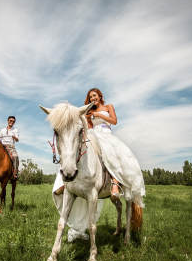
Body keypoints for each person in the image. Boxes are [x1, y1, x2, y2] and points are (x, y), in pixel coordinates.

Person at [52, 88, 145, 241]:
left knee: (114, 155)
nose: (92, 99)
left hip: (107, 136)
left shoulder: (108, 107)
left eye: (94, 96)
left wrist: (98, 114)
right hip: (94, 135)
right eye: (90, 97)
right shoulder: (88, 112)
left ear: (100, 96)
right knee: (76, 152)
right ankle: (65, 181)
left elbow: (114, 121)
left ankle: (115, 183)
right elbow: (86, 127)